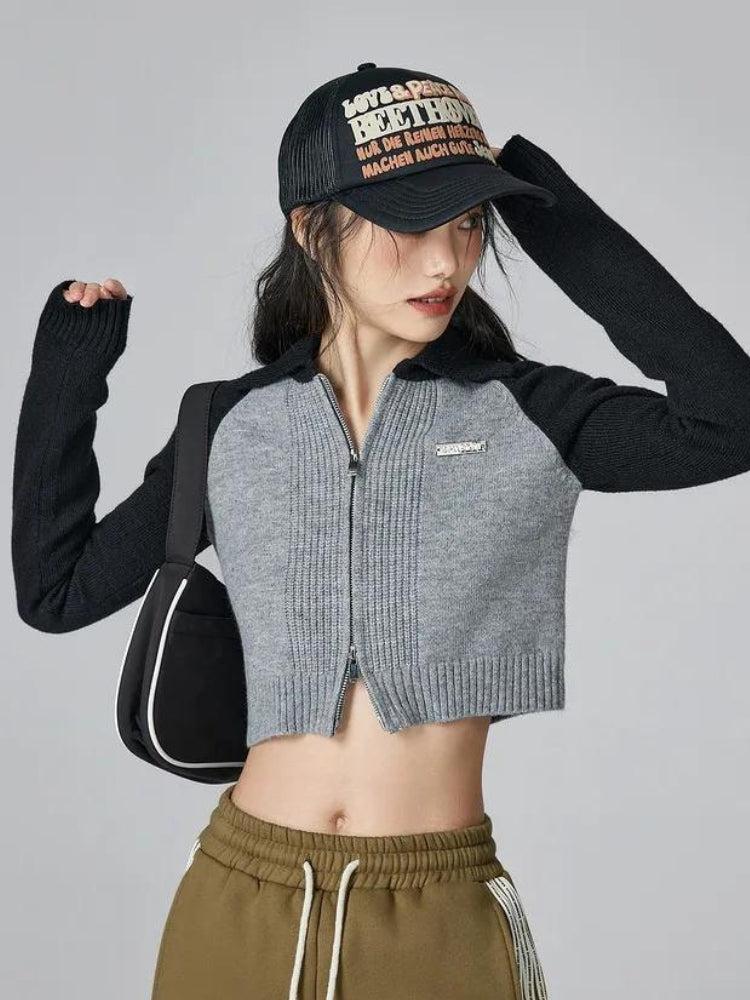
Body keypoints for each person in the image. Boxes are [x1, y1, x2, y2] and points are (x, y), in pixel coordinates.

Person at [12, 61, 750, 1000]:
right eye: (410, 225)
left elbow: (731, 420)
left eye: (469, 222)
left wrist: (548, 212)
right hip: (237, 899)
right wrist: (68, 377)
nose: (446, 262)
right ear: (310, 229)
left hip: (436, 916)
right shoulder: (229, 425)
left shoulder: (529, 414)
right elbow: (57, 593)